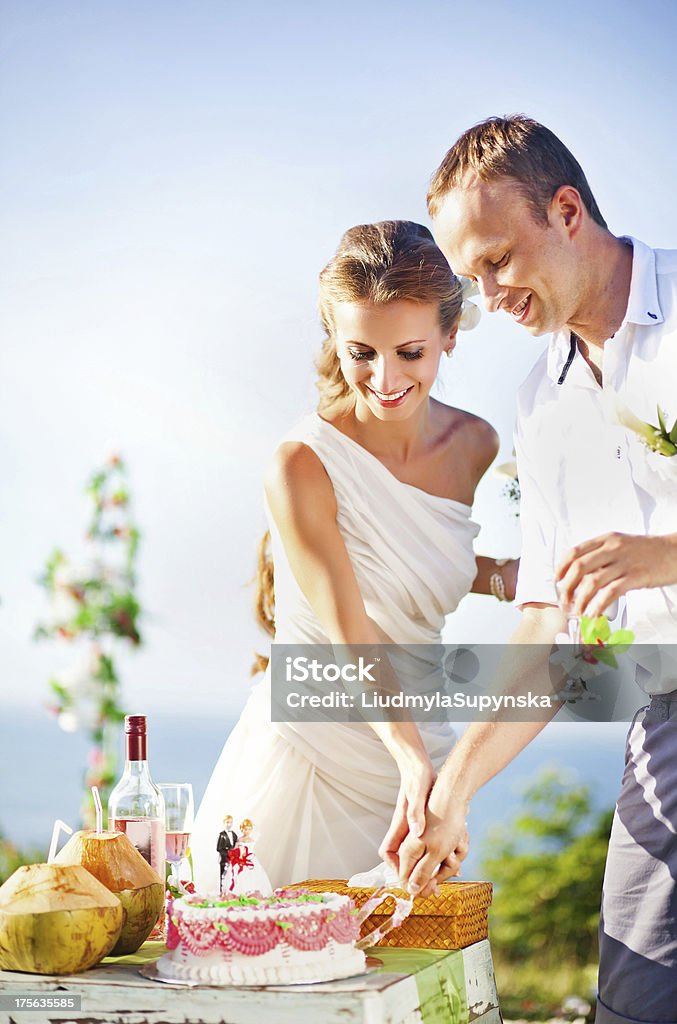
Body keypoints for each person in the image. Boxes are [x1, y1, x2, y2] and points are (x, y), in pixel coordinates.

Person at [391, 116, 677, 1024]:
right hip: (667, 715)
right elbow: (544, 623)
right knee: (635, 1002)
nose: (486, 294)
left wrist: (668, 554)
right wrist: (450, 793)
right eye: (469, 276)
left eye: (497, 260)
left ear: (566, 211)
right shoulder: (539, 401)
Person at [191, 220, 518, 892]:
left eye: (410, 351)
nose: (385, 377)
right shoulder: (300, 464)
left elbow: (414, 561)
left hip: (421, 754)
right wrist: (409, 759)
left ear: (449, 337)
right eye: (361, 352)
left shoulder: (477, 445)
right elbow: (350, 632)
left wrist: (501, 577)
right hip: (313, 755)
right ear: (335, 344)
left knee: (415, 982)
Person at [216, 813, 238, 895]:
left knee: (232, 874)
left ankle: (230, 891)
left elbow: (236, 845)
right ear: (224, 823)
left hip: (233, 859)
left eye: (231, 822)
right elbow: (219, 848)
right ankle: (222, 891)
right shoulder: (222, 835)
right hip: (224, 859)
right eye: (227, 822)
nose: (229, 824)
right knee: (223, 875)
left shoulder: (234, 834)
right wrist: (227, 854)